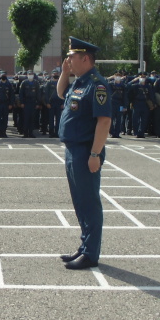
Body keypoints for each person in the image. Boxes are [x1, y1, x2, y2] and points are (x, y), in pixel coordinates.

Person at [57, 37, 111, 270]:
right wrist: (64, 73)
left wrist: (95, 154)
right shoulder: (80, 82)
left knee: (89, 203)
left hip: (85, 150)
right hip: (72, 150)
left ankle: (91, 254)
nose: (68, 60)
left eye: (72, 57)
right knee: (79, 202)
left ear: (85, 58)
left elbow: (104, 121)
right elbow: (61, 94)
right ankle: (84, 246)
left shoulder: (97, 85)